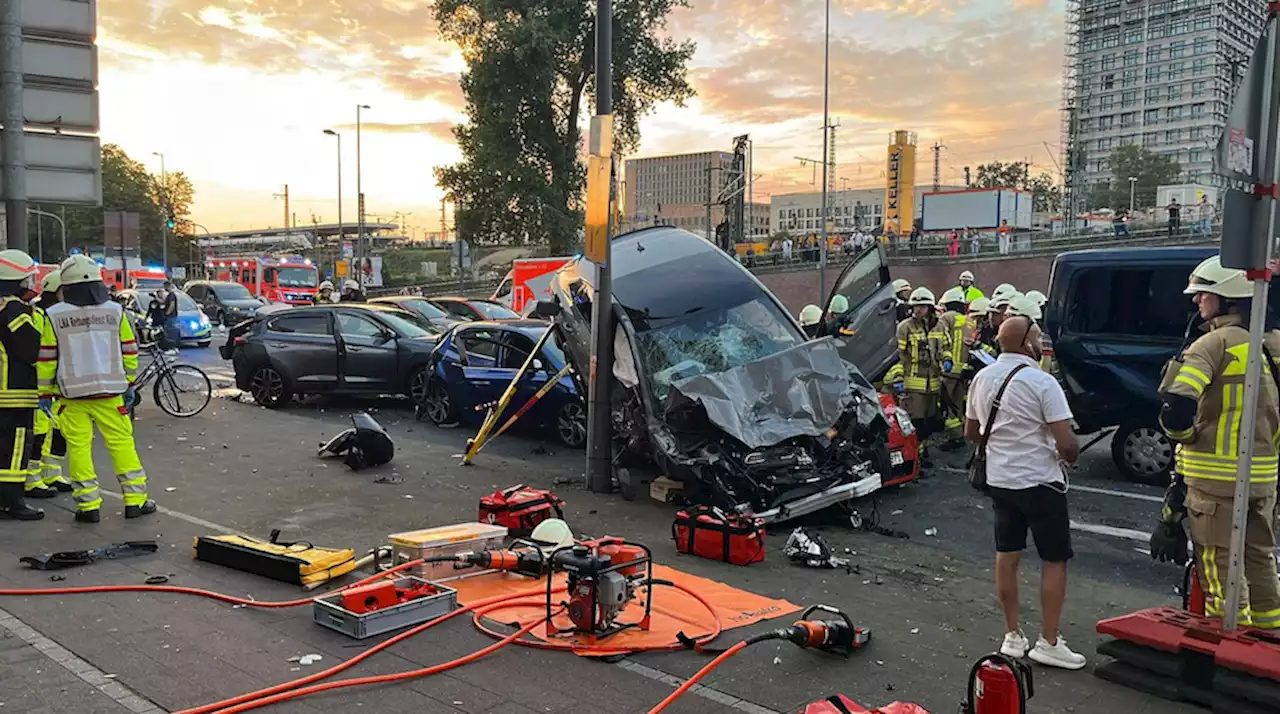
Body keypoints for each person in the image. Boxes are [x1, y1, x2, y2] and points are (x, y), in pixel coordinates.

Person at [1150, 255, 1280, 629]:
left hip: (1215, 484)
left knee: (1220, 571)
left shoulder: (1212, 345)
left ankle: (1229, 649)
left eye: (1203, 294)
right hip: (1263, 480)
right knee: (1260, 560)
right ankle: (1268, 636)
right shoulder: (1272, 344)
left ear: (1226, 297)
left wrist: (1185, 438)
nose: (1196, 301)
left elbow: (1176, 408)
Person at [965, 311, 1083, 669]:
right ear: (1028, 343)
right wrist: (1068, 454)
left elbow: (972, 432)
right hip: (1041, 483)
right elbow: (1067, 442)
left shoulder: (982, 378)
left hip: (1000, 481)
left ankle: (1012, 636)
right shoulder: (1042, 382)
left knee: (1007, 554)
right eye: (1037, 336)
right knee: (1054, 559)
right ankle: (1048, 641)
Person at [38, 255, 156, 524]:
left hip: (71, 395)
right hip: (111, 393)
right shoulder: (115, 311)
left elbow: (46, 358)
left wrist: (44, 393)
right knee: (122, 443)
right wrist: (129, 382)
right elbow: (129, 349)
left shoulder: (54, 316)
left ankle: (88, 506)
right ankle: (135, 502)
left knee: (79, 448)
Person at [0, 250, 46, 521]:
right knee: (15, 449)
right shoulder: (13, 308)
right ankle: (12, 501)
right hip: (13, 391)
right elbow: (29, 349)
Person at [23, 270, 71, 500]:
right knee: (39, 431)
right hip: (40, 384)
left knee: (57, 431)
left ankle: (52, 473)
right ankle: (32, 479)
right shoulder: (39, 314)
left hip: (56, 382)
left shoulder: (56, 314)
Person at [894, 287, 951, 447]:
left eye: (922, 306)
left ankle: (923, 452)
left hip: (933, 384)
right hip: (913, 386)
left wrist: (947, 360)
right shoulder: (905, 327)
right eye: (915, 307)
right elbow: (898, 356)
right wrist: (898, 378)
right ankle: (916, 457)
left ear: (930, 308)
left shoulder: (939, 326)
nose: (918, 310)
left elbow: (946, 348)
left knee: (929, 424)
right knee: (915, 423)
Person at [936, 287, 970, 450]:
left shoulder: (946, 318)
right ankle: (961, 433)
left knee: (945, 404)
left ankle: (955, 437)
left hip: (948, 370)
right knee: (957, 403)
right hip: (964, 369)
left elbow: (939, 339)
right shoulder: (968, 320)